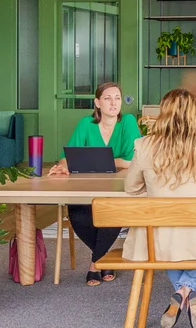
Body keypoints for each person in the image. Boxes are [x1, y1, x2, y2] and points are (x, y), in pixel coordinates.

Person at [121, 88, 196, 328]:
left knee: (170, 244)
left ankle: (182, 292)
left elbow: (131, 188)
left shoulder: (143, 145)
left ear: (163, 112)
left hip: (158, 232)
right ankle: (187, 291)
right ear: (194, 114)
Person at [44, 81, 141, 287]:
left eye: (117, 98)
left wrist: (96, 161)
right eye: (107, 98)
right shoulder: (85, 124)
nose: (113, 103)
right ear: (97, 102)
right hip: (85, 188)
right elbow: (66, 157)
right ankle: (103, 257)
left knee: (112, 213)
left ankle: (95, 263)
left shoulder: (129, 122)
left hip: (118, 188)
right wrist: (63, 166)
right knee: (77, 212)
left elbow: (133, 160)